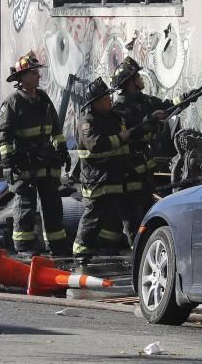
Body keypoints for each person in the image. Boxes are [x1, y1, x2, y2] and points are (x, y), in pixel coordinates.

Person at [0, 51, 70, 256]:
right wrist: (8, 162)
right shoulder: (13, 102)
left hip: (47, 160)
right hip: (24, 162)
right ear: (22, 78)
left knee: (53, 204)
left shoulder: (43, 98)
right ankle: (24, 246)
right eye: (34, 73)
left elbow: (55, 127)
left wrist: (62, 149)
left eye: (37, 72)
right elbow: (4, 134)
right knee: (25, 205)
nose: (39, 76)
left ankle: (56, 245)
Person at [110, 57, 175, 239]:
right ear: (131, 82)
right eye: (137, 76)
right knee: (133, 210)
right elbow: (129, 134)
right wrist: (149, 121)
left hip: (145, 165)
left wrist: (185, 99)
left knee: (147, 206)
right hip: (129, 167)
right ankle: (134, 245)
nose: (141, 79)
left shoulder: (144, 100)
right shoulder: (120, 107)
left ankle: (145, 242)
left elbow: (166, 107)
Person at [72, 77, 132, 265]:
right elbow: (96, 145)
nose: (110, 100)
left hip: (113, 176)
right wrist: (120, 138)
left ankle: (109, 248)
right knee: (93, 216)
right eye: (106, 97)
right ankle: (81, 252)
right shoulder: (87, 122)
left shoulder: (112, 116)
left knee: (115, 215)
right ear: (96, 102)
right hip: (96, 179)